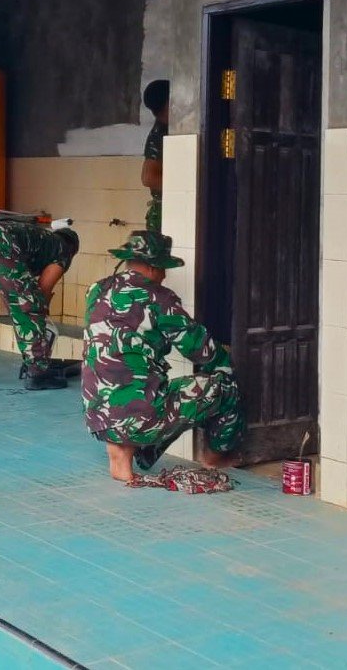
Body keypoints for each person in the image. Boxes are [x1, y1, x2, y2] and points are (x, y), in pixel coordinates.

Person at [83, 230, 243, 482]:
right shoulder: (158, 298)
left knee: (137, 386)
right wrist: (227, 363)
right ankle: (214, 460)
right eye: (163, 269)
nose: (165, 275)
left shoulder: (97, 289)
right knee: (225, 388)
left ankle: (121, 457)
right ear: (152, 266)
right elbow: (200, 349)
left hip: (97, 414)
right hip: (138, 416)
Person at [0, 220, 80, 390]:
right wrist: (41, 317)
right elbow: (42, 292)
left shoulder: (42, 238)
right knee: (27, 305)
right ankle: (38, 371)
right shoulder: (63, 250)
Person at [140, 80, 169, 232]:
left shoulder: (173, 128)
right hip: (165, 214)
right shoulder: (159, 135)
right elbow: (148, 178)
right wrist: (185, 187)